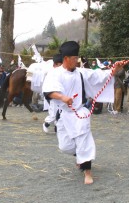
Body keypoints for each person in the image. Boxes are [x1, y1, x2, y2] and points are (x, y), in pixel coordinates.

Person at [42, 41, 123, 184]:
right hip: (64, 114)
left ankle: (87, 172)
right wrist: (62, 97)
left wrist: (114, 70)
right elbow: (49, 91)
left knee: (83, 141)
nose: (76, 61)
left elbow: (99, 76)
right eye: (74, 59)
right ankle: (80, 155)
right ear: (66, 58)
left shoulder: (81, 73)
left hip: (80, 113)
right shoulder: (55, 73)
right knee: (64, 146)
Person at [43, 53, 63, 134]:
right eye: (60, 64)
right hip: (52, 95)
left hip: (61, 95)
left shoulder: (61, 71)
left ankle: (57, 127)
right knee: (53, 114)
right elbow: (49, 86)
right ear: (55, 64)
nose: (61, 66)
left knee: (61, 112)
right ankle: (46, 123)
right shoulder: (52, 72)